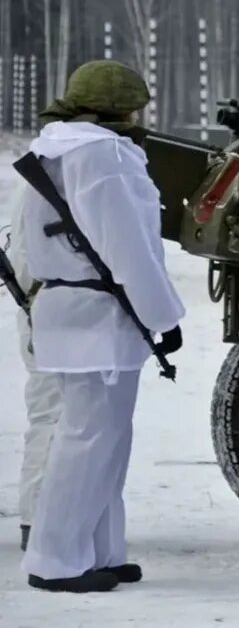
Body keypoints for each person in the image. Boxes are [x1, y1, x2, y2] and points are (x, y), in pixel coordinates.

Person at [18, 60, 185, 593]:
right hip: (99, 318)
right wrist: (163, 317)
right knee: (90, 439)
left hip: (69, 312)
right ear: (126, 109)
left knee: (103, 438)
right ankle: (57, 560)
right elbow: (129, 248)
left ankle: (99, 551)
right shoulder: (105, 156)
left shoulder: (55, 150)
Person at [5, 186, 65, 553]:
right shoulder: (50, 180)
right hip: (48, 310)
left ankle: (41, 519)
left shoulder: (40, 177)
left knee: (51, 417)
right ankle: (39, 521)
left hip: (42, 307)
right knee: (53, 418)